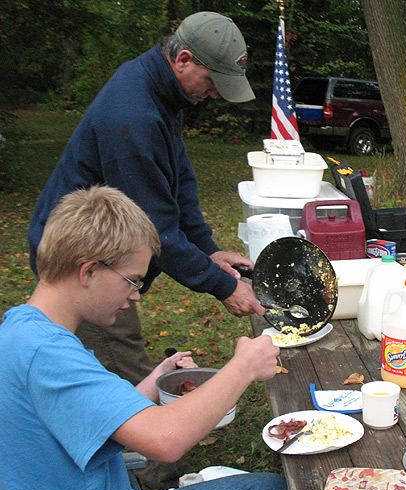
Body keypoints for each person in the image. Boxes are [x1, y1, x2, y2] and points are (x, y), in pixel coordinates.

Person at [0, 186, 309, 490]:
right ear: (88, 271)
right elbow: (165, 441)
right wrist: (242, 368)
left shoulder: (29, 333)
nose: (135, 295)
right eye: (132, 281)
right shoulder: (44, 354)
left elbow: (86, 417)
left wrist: (153, 381)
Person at [27, 11, 264, 387]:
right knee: (122, 372)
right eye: (212, 81)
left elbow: (179, 182)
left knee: (101, 363)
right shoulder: (134, 114)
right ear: (183, 59)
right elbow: (154, 229)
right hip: (82, 263)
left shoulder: (162, 90)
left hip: (108, 253)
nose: (215, 94)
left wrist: (208, 250)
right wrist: (224, 286)